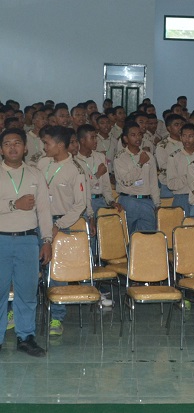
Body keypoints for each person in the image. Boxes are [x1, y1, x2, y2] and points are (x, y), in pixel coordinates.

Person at [0, 128, 53, 357]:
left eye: (17, 143)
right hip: (1, 239)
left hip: (28, 240)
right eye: (8, 143)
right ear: (1, 149)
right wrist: (14, 205)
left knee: (27, 293)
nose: (13, 147)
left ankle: (26, 337)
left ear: (25, 147)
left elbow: (44, 209)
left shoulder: (34, 174)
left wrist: (47, 240)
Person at [37, 126, 89, 337]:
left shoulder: (76, 170)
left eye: (47, 143)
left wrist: (59, 225)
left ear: (59, 145)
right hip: (39, 221)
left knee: (58, 273)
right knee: (32, 270)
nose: (44, 147)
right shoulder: (42, 163)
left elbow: (80, 204)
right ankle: (17, 312)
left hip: (61, 223)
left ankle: (57, 318)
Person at [113, 122, 161, 233]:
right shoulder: (120, 157)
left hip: (146, 201)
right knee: (128, 236)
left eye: (139, 134)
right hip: (128, 200)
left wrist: (157, 203)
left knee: (148, 237)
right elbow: (126, 181)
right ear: (125, 138)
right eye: (133, 135)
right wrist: (139, 164)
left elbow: (153, 182)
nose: (138, 138)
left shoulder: (148, 156)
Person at [166, 123, 194, 216]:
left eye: (190, 136)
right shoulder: (174, 157)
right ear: (180, 137)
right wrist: (188, 177)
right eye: (184, 136)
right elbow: (171, 184)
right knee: (180, 228)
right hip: (182, 197)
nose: (187, 139)